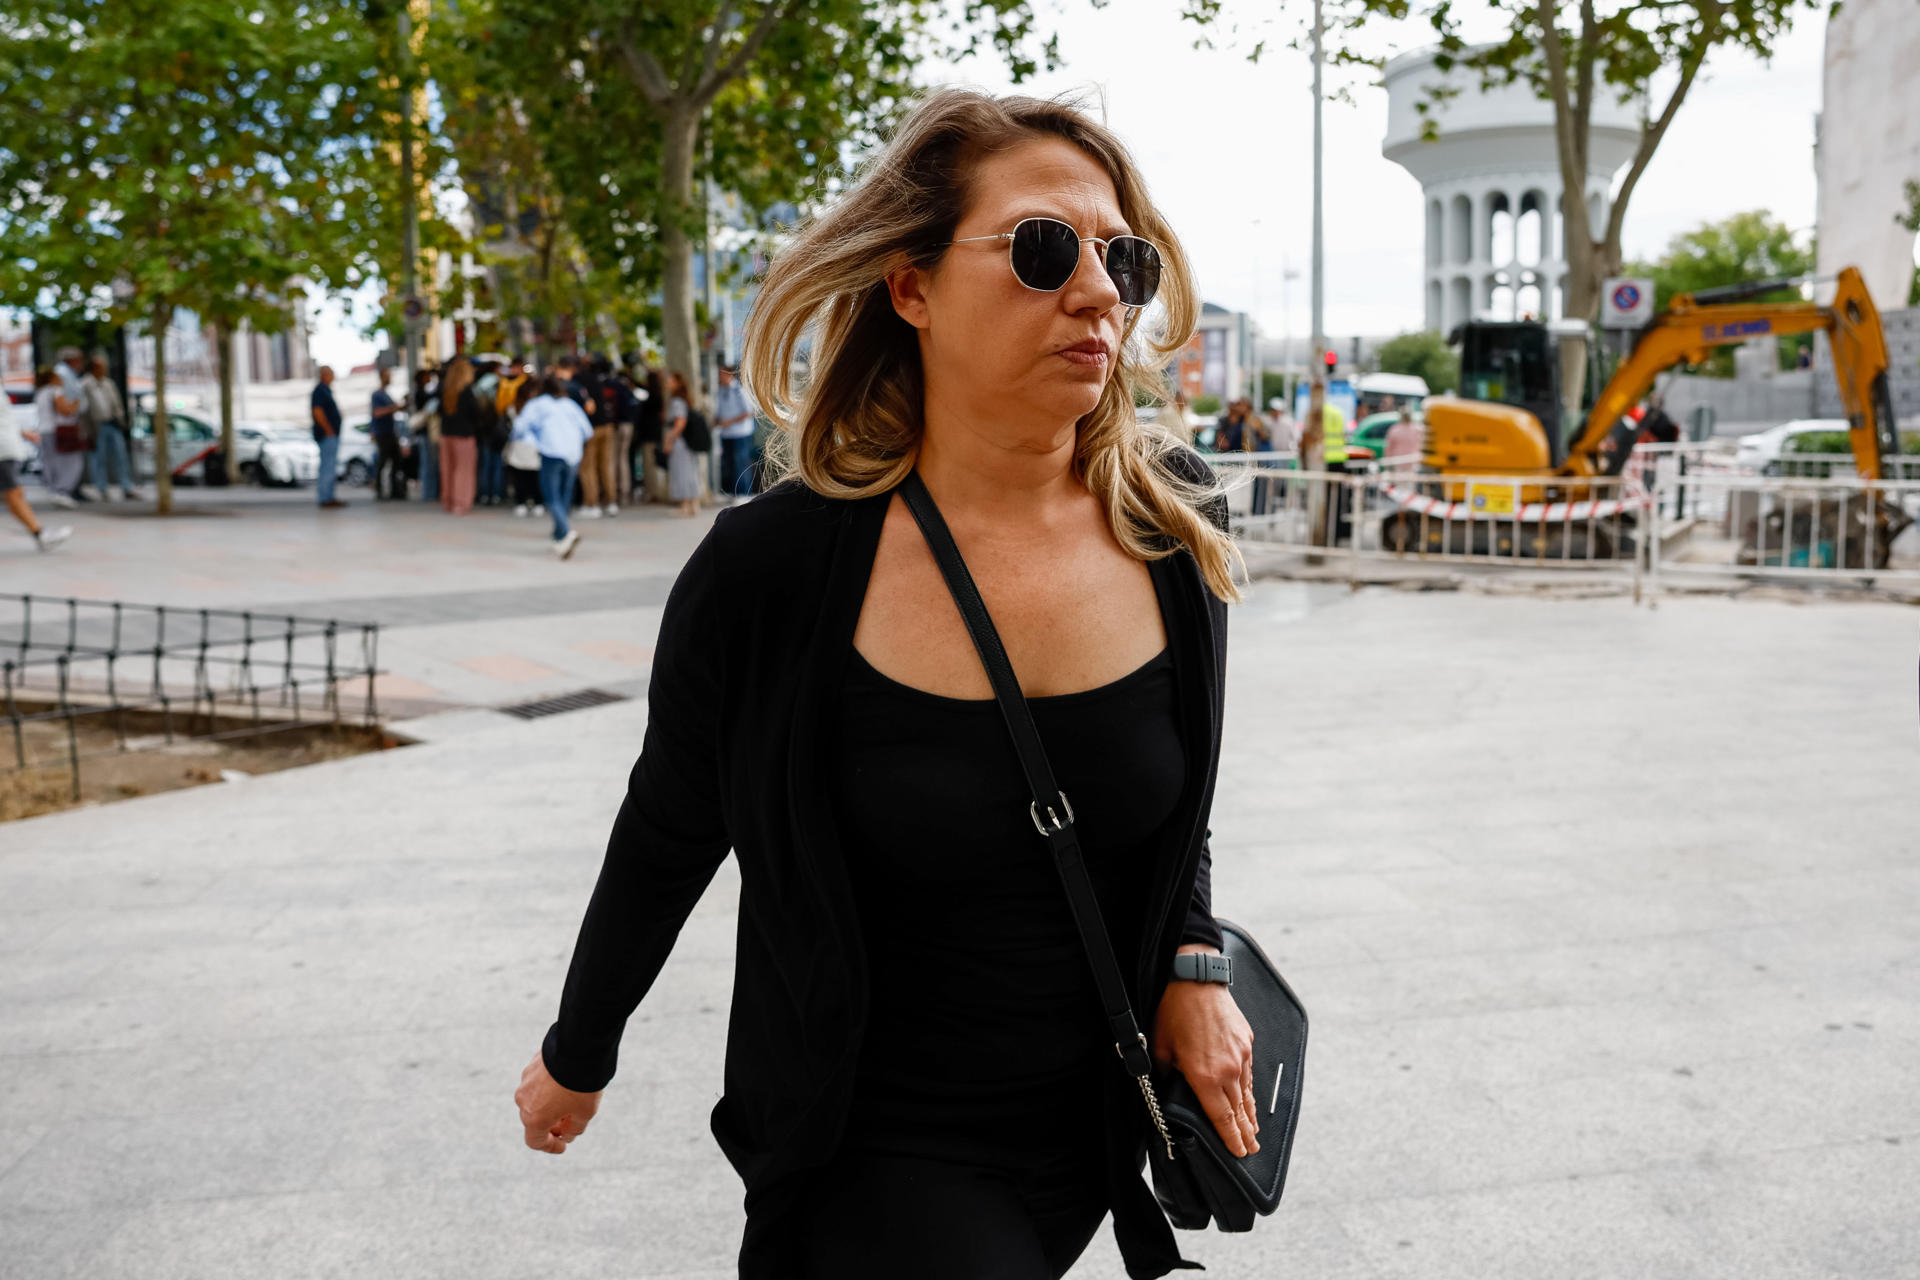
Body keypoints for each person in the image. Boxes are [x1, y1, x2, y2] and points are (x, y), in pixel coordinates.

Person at [513, 87, 1253, 1280]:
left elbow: (1177, 793)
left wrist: (1194, 962)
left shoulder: (1171, 519)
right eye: (1043, 248)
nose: (1099, 291)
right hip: (873, 1145)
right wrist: (579, 1045)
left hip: (1102, 1117)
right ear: (910, 288)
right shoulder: (774, 569)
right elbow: (669, 821)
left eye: (1122, 256)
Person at [511, 373, 593, 558]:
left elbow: (519, 427)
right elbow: (587, 431)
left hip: (551, 454)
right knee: (564, 497)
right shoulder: (569, 405)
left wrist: (532, 438)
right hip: (573, 455)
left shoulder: (537, 405)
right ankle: (559, 537)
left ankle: (566, 532)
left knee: (551, 497)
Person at [9, 373, 71, 549]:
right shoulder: (53, 391)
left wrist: (23, 433)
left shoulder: (41, 392)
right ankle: (40, 533)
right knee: (14, 493)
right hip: (5, 449)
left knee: (15, 493)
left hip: (11, 446)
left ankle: (39, 532)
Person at [82, 355, 136, 501]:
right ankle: (101, 488)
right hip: (97, 425)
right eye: (100, 367)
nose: (103, 370)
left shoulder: (108, 383)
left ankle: (126, 487)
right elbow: (84, 409)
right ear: (93, 369)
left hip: (112, 423)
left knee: (120, 456)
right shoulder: (86, 384)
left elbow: (116, 403)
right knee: (98, 458)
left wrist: (121, 419)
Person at [577, 355, 620, 518]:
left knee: (588, 467)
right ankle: (611, 502)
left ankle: (591, 503)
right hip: (607, 426)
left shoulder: (579, 380)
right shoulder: (598, 379)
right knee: (606, 466)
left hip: (591, 428)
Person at [437, 356, 480, 515]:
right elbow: (475, 413)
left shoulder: (445, 390)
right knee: (463, 470)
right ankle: (460, 503)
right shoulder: (467, 391)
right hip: (464, 435)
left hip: (446, 434)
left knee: (447, 469)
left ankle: (448, 500)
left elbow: (439, 412)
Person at [660, 370, 702, 517]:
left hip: (680, 442)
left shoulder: (677, 401)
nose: (667, 384)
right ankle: (691, 504)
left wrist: (669, 439)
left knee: (683, 472)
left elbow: (680, 423)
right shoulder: (683, 400)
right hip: (686, 442)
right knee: (689, 471)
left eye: (670, 381)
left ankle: (687, 504)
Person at [713, 362, 756, 501]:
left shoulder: (739, 390)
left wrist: (729, 421)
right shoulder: (720, 390)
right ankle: (732, 492)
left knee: (740, 462)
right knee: (729, 462)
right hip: (726, 433)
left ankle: (744, 493)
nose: (719, 377)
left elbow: (749, 412)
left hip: (740, 433)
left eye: (721, 374)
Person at [504, 380, 546, 517]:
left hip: (519, 446)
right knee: (534, 477)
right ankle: (537, 502)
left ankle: (521, 502)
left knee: (520, 477)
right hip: (535, 446)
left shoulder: (513, 408)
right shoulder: (540, 409)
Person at [309, 365, 345, 508]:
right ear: (324, 375)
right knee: (327, 467)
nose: (333, 376)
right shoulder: (320, 391)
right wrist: (328, 429)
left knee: (330, 466)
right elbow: (317, 412)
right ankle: (325, 498)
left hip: (330, 434)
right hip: (326, 435)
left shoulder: (325, 390)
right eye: (331, 373)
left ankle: (329, 496)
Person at [370, 367, 406, 500]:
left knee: (397, 461)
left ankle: (395, 490)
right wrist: (393, 408)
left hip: (391, 432)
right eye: (387, 375)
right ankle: (379, 491)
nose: (389, 378)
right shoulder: (377, 395)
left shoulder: (386, 394)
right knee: (382, 462)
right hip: (382, 433)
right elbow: (377, 412)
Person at [635, 367, 665, 504]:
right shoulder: (658, 395)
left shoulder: (652, 397)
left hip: (649, 434)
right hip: (654, 433)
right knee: (651, 465)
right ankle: (654, 491)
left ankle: (653, 492)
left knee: (649, 466)